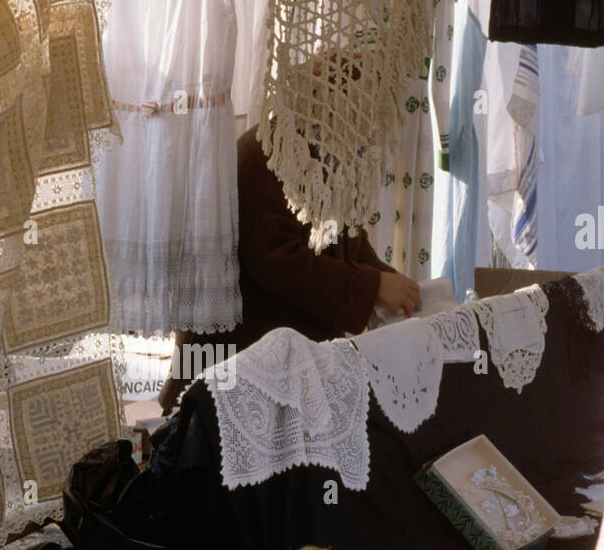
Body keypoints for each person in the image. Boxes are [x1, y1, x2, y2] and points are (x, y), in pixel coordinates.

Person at [158, 125, 421, 411]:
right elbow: (276, 261)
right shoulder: (261, 153)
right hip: (230, 377)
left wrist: (391, 283)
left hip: (288, 375)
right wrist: (370, 287)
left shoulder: (330, 150)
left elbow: (347, 237)